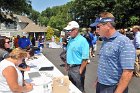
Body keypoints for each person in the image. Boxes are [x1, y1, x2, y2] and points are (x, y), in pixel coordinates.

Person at [90, 12, 136, 93]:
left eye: (98, 27)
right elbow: (105, 63)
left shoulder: (124, 42)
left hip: (114, 87)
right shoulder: (105, 40)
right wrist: (98, 80)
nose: (96, 30)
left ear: (108, 25)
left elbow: (128, 72)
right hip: (101, 85)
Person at [64, 21, 89, 93]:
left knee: (79, 89)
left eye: (70, 30)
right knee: (71, 88)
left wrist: (80, 71)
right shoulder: (71, 39)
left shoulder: (83, 41)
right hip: (70, 67)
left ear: (76, 30)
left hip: (77, 68)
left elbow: (85, 58)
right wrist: (66, 64)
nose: (68, 32)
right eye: (67, 30)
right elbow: (68, 52)